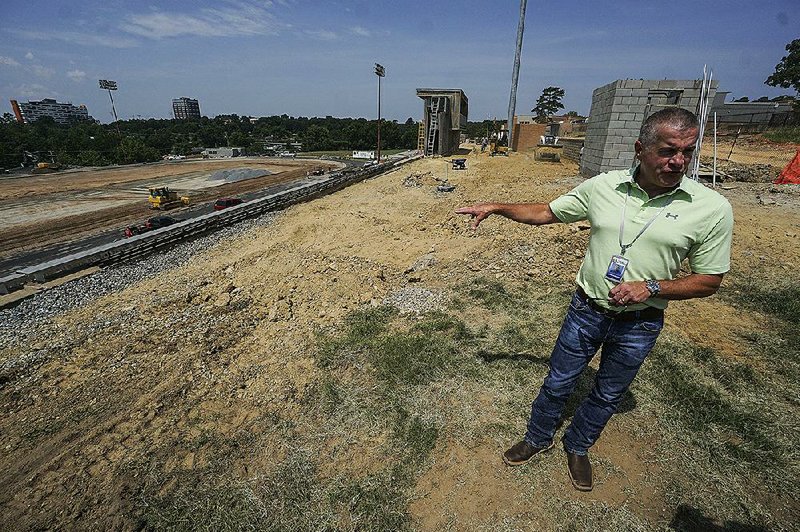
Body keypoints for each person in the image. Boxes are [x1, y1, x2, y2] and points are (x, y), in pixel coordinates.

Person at [455, 107, 733, 492]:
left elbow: (709, 280)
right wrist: (498, 207)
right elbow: (546, 212)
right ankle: (537, 437)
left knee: (608, 392)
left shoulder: (711, 208)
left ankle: (579, 445)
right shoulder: (603, 186)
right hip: (586, 310)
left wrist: (651, 287)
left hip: (641, 322)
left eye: (688, 151)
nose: (679, 161)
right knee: (559, 380)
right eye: (669, 150)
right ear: (640, 148)